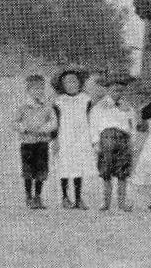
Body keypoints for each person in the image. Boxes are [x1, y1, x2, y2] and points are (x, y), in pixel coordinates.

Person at [89, 75, 136, 211]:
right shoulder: (99, 107)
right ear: (108, 90)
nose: (117, 93)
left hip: (123, 140)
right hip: (106, 140)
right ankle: (106, 203)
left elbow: (132, 126)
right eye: (114, 90)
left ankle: (122, 203)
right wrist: (95, 142)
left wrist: (132, 142)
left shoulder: (128, 108)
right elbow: (93, 125)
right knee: (106, 172)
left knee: (123, 172)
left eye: (120, 91)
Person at [52, 68, 95, 209]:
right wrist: (55, 140)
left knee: (79, 166)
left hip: (81, 137)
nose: (71, 84)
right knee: (65, 166)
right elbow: (55, 122)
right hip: (64, 136)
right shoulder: (59, 102)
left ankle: (78, 198)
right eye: (67, 82)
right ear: (62, 85)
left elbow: (92, 118)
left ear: (79, 83)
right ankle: (65, 197)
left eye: (74, 81)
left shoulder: (86, 99)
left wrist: (92, 138)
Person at [14, 74, 58, 209]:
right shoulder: (23, 107)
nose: (38, 92)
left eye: (41, 89)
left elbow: (53, 122)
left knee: (41, 170)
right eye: (34, 89)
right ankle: (28, 196)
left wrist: (44, 129)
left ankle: (38, 196)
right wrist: (23, 128)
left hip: (42, 143)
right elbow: (15, 122)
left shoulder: (47, 106)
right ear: (28, 90)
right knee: (28, 170)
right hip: (27, 143)